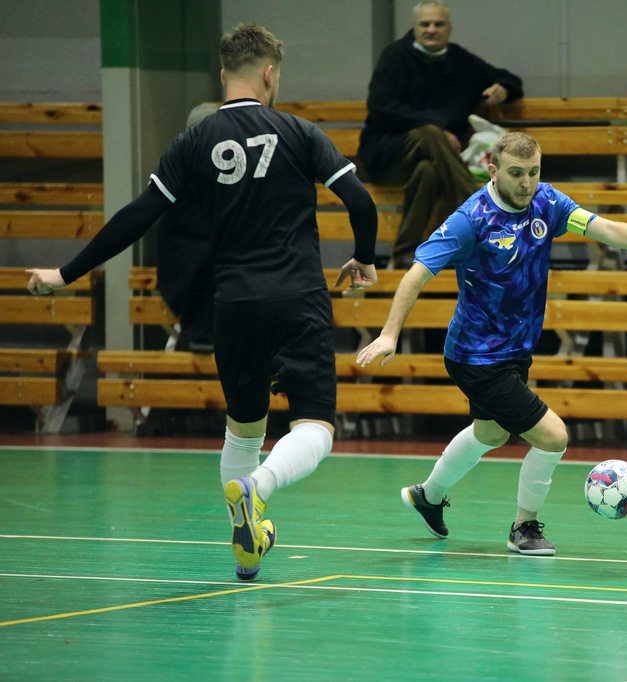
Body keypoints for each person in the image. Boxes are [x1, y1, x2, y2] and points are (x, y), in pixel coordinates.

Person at [25, 24, 379, 580]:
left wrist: (64, 273)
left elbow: (136, 217)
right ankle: (258, 488)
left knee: (243, 430)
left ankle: (247, 547)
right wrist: (363, 257)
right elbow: (358, 199)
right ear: (269, 74)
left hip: (233, 304)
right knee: (315, 427)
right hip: (298, 299)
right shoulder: (299, 131)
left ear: (222, 75)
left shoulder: (194, 141)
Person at [356, 132, 627, 555]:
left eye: (534, 172)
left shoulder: (548, 203)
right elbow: (417, 273)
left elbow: (607, 229)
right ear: (493, 170)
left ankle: (428, 496)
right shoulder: (471, 219)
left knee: (490, 433)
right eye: (516, 173)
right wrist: (390, 334)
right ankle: (524, 527)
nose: (526, 183)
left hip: (516, 350)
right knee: (553, 437)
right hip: (477, 356)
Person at [358, 0, 523, 268]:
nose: (431, 29)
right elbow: (380, 108)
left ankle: (403, 253)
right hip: (388, 155)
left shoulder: (461, 61)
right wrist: (437, 129)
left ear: (449, 28)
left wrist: (503, 88)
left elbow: (510, 79)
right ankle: (484, 214)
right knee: (429, 134)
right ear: (415, 27)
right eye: (425, 24)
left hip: (435, 161)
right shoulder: (395, 56)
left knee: (429, 170)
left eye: (438, 24)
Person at [155, 102, 220, 354]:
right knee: (207, 258)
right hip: (183, 252)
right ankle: (201, 333)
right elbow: (179, 220)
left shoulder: (230, 165)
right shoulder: (177, 165)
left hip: (211, 247)